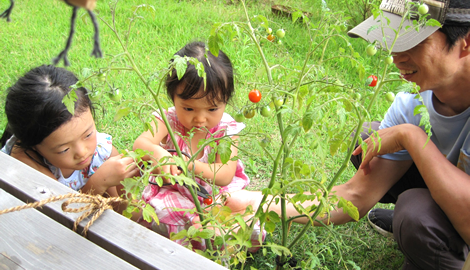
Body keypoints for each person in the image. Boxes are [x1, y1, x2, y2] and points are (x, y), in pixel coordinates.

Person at [224, 0, 470, 268]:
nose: (397, 56)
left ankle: (439, 243)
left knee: (416, 216)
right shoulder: (412, 102)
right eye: (393, 41)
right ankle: (427, 224)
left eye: (414, 43)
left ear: (465, 42)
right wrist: (255, 202)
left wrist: (412, 137)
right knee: (370, 137)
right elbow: (356, 195)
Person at [133, 41, 264, 251]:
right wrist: (159, 153)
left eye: (212, 109)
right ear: (173, 97)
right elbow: (140, 144)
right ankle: (188, 245)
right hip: (175, 191)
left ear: (226, 101)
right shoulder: (167, 120)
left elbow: (224, 175)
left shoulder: (226, 129)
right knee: (167, 213)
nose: (200, 118)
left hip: (215, 193)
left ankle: (210, 242)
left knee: (234, 218)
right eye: (188, 108)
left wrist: (188, 165)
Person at [0, 65, 139, 212]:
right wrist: (98, 183)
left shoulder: (102, 153)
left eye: (88, 134)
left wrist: (128, 187)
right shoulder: (26, 163)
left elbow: (127, 216)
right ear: (33, 145)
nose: (82, 152)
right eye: (64, 149)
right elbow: (61, 220)